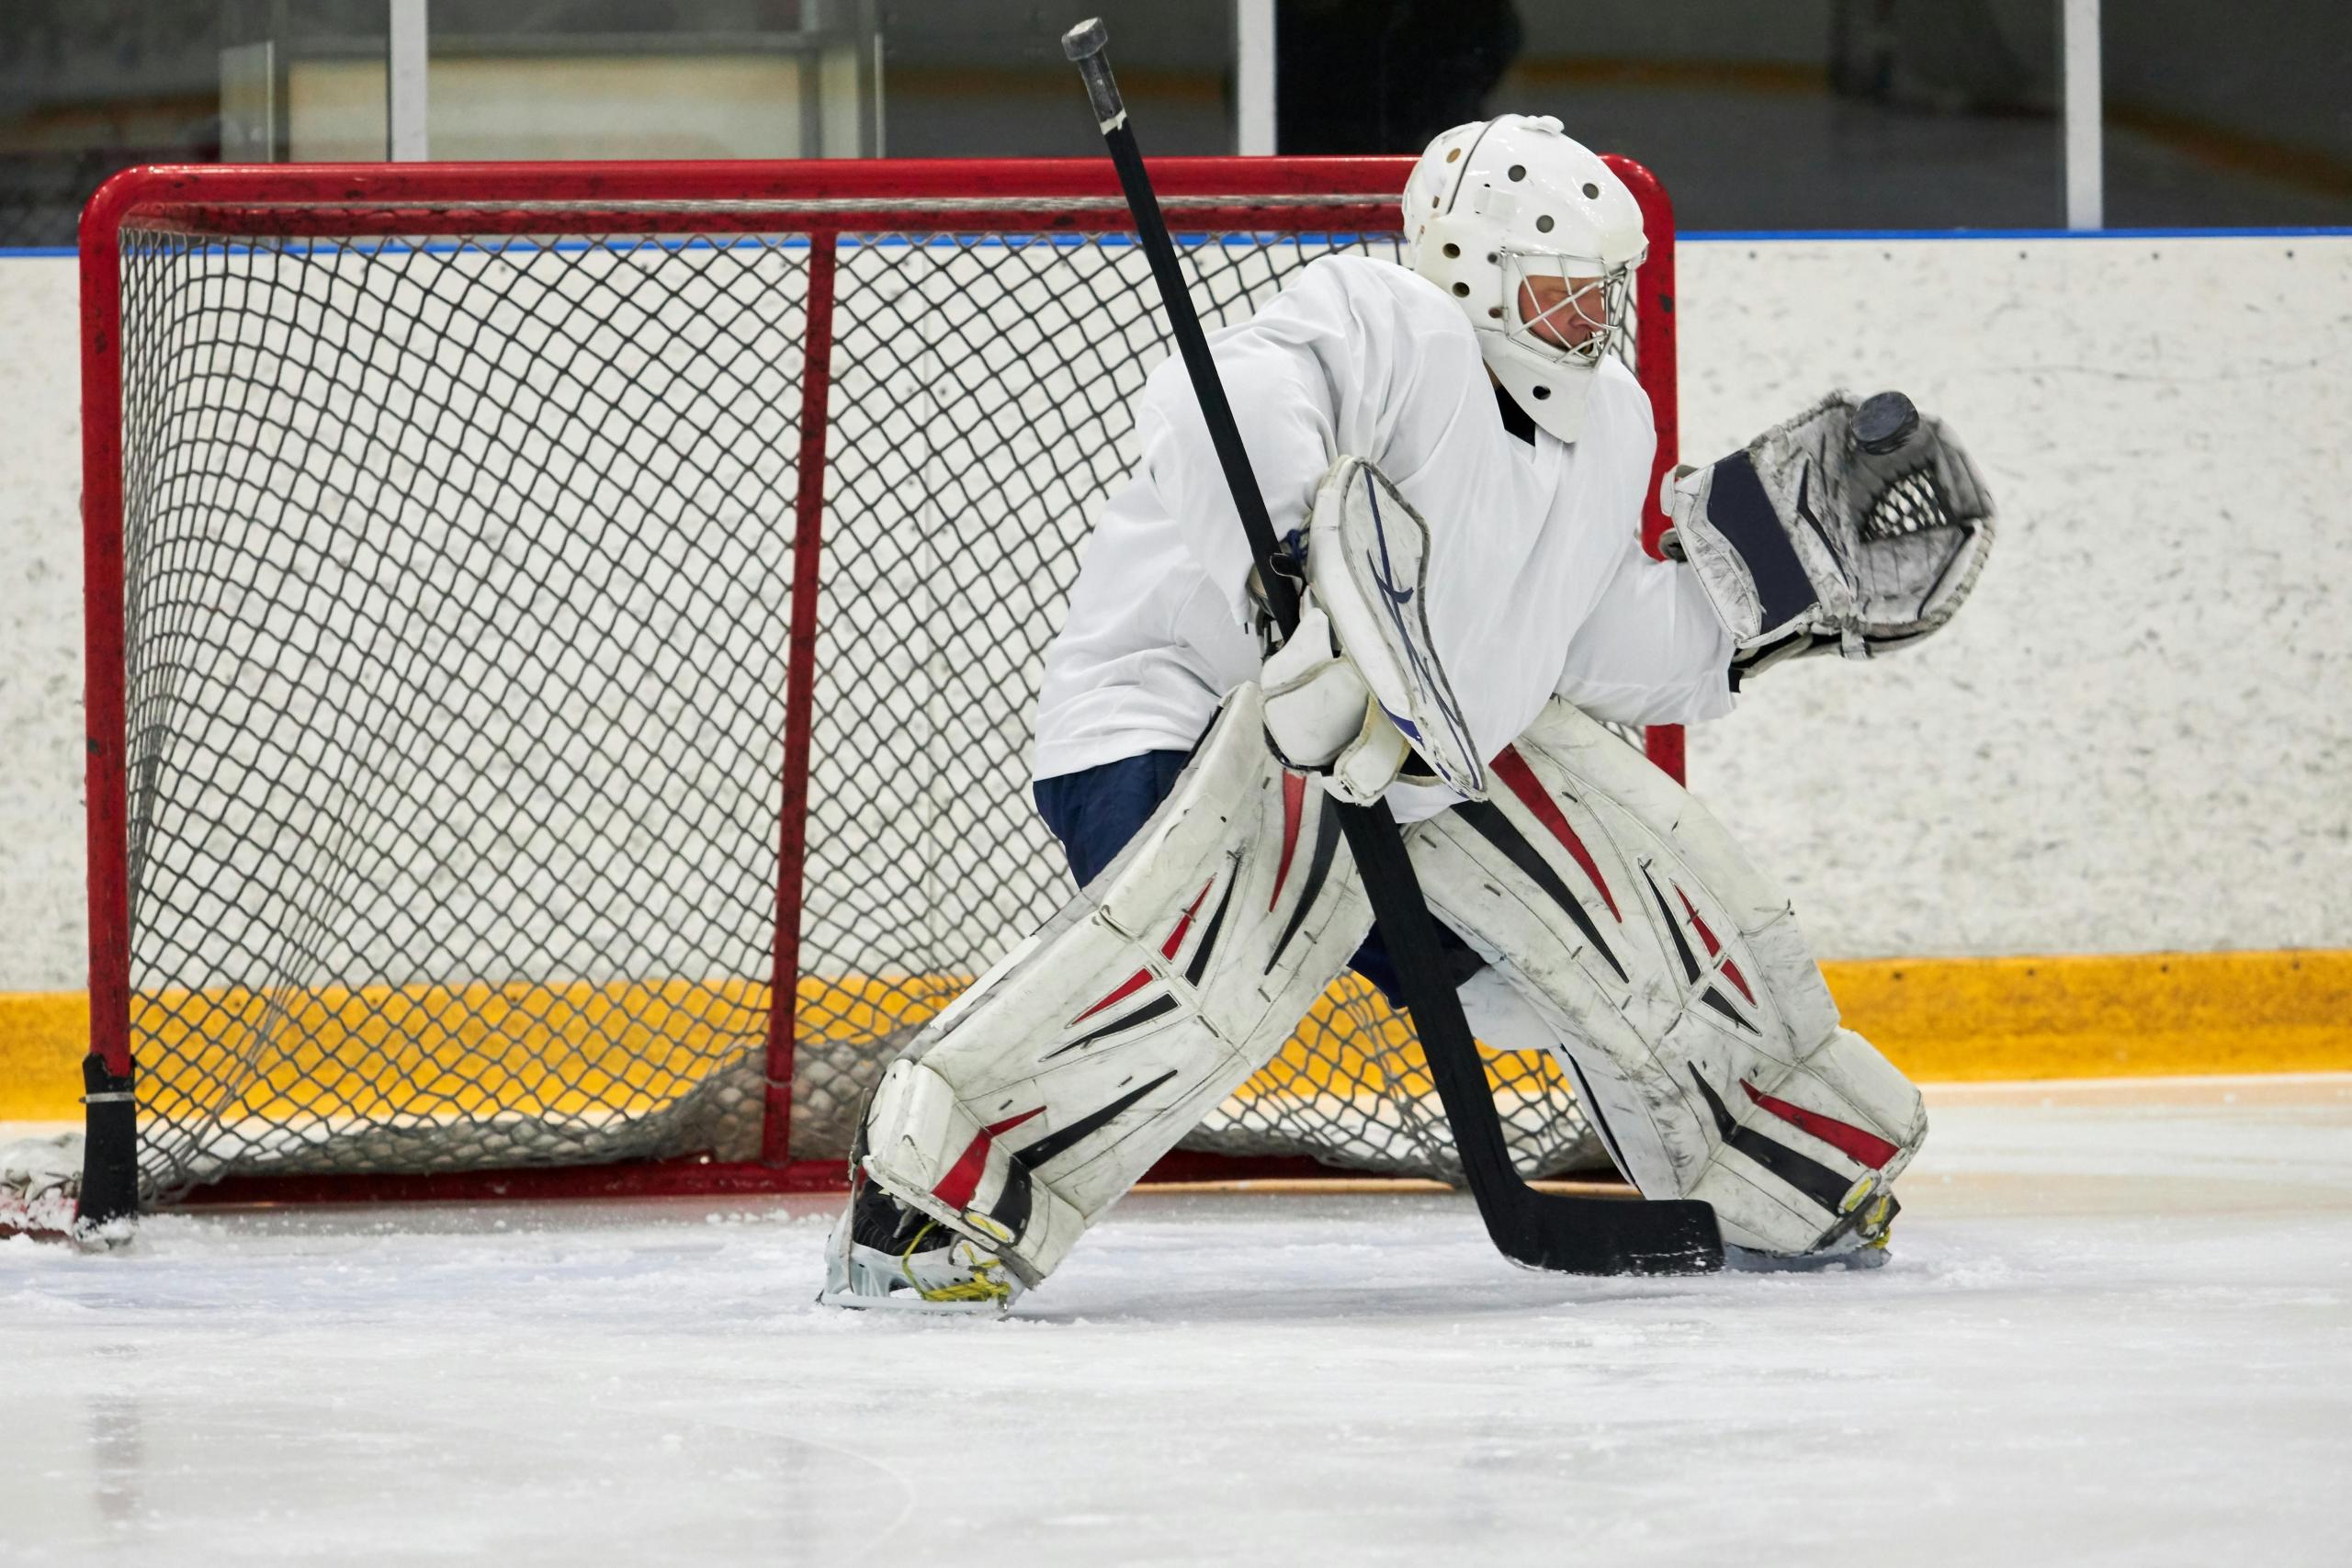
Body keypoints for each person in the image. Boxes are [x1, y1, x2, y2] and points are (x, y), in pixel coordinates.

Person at [820, 115, 1993, 1312]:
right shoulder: (1396, 323)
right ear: (1474, 270)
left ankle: (1769, 1161)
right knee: (1220, 949)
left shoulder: (1610, 423)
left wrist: (1753, 594)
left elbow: (1577, 640)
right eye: (1559, 291)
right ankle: (931, 1202)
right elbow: (1216, 394)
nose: (1592, 321)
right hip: (1177, 723)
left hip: (1399, 774)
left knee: (1616, 925)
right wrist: (1285, 560)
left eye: (1605, 293)